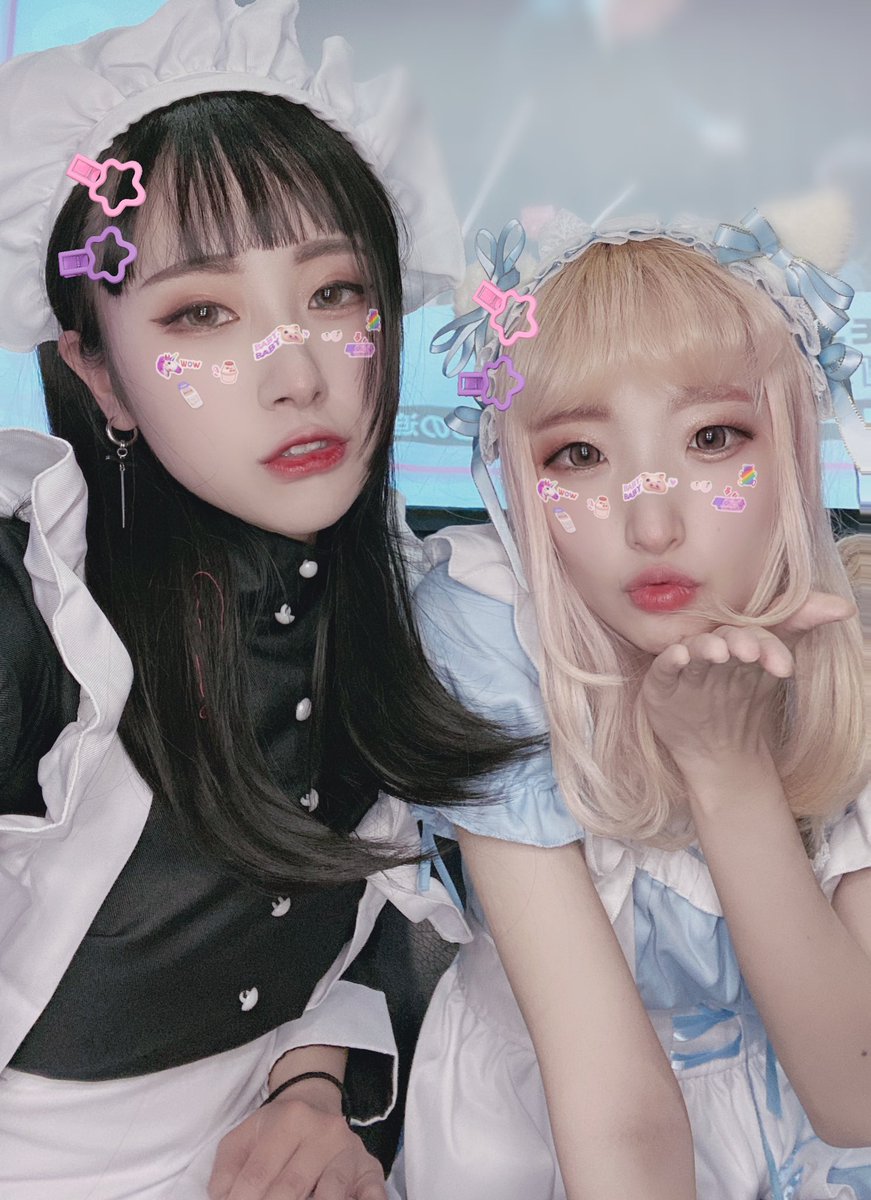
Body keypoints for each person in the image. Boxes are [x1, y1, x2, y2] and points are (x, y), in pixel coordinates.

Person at [0, 2, 530, 1196]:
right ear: (99, 372)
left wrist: (311, 1082)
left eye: (335, 294)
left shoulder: (408, 599)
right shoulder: (31, 610)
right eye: (201, 314)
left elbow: (364, 906)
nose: (296, 374)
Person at [392, 206, 871, 1199]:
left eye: (712, 438)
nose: (651, 523)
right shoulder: (488, 628)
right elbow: (611, 1107)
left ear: (791, 442)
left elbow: (853, 1096)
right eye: (578, 455)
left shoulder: (852, 639)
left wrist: (727, 767)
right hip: (551, 1122)